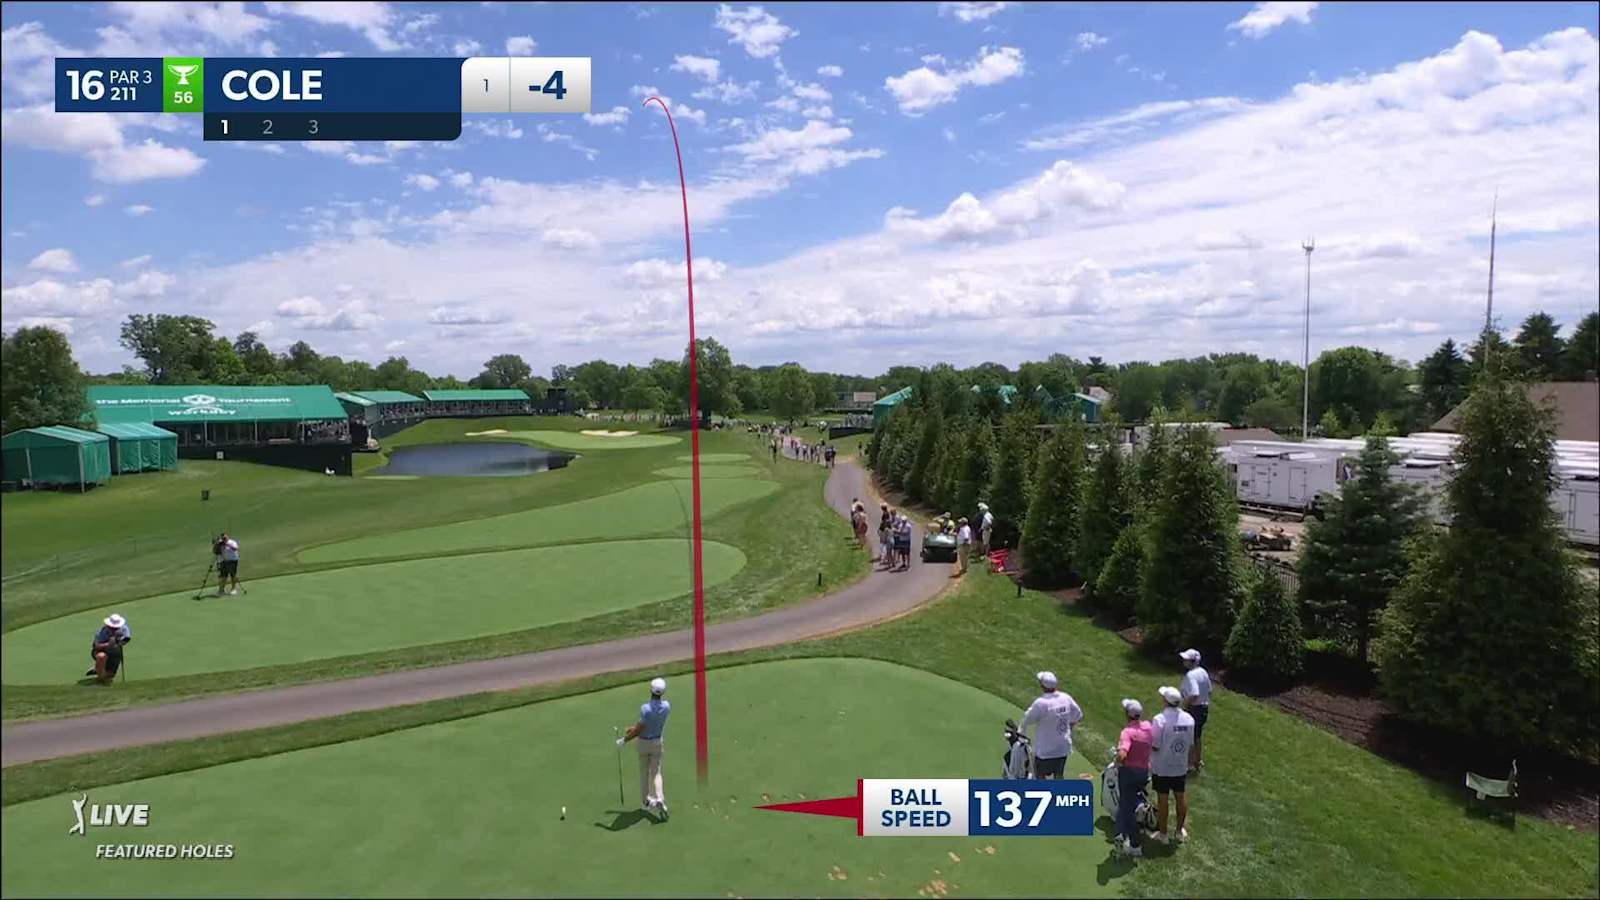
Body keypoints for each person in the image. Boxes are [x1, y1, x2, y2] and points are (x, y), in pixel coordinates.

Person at [1148, 685, 1196, 844]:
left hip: (1162, 766)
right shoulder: (1189, 719)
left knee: (1163, 799)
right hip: (1180, 766)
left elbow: (1155, 744)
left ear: (1165, 701)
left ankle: (1163, 834)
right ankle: (1179, 831)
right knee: (1180, 797)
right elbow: (1190, 743)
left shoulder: (1159, 720)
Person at [619, 676, 672, 817]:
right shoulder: (666, 706)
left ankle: (647, 802)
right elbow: (644, 725)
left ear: (651, 690)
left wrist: (624, 740)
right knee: (656, 772)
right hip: (657, 742)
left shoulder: (645, 709)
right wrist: (633, 728)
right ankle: (660, 798)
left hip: (643, 744)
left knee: (644, 773)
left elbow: (641, 728)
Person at [1018, 671, 1083, 779]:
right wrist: (1068, 728)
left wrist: (1022, 730)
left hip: (1045, 751)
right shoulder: (1066, 698)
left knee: (1040, 776)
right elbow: (1077, 715)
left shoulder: (1041, 703)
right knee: (1058, 776)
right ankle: (1058, 794)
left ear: (1042, 686)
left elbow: (1028, 719)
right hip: (1062, 747)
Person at [1115, 698, 1153, 858]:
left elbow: (1123, 753)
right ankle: (1121, 832)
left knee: (1126, 807)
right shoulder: (1149, 728)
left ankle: (1133, 843)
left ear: (1127, 714)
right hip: (1144, 773)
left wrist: (1117, 759)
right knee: (1133, 801)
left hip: (1129, 773)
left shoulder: (1127, 732)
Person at [1179, 648, 1212, 774]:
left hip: (1195, 709)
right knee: (1197, 736)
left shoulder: (1190, 675)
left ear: (1192, 661)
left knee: (1190, 737)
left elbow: (1194, 694)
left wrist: (1185, 705)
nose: (1183, 661)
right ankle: (1198, 760)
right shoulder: (1202, 672)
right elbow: (1209, 690)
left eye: (1186, 659)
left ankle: (1189, 765)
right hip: (1203, 709)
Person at [87, 614, 131, 684]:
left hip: (115, 652)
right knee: (101, 657)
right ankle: (99, 675)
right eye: (112, 627)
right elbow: (96, 646)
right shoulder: (102, 632)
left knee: (110, 675)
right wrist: (108, 645)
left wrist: (119, 642)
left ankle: (97, 669)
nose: (114, 629)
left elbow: (127, 638)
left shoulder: (123, 628)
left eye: (116, 628)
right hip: (101, 650)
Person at [215, 532, 242, 596]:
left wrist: (226, 544)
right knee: (223, 576)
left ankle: (233, 589)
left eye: (225, 537)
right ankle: (221, 590)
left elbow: (235, 548)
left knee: (233, 575)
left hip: (233, 561)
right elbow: (216, 552)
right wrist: (217, 544)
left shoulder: (232, 542)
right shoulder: (221, 544)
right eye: (223, 538)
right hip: (225, 561)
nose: (224, 539)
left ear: (227, 537)